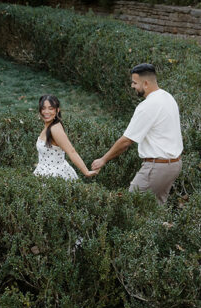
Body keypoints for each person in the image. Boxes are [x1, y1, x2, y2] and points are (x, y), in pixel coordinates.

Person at [91, 64, 183, 204]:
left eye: (134, 83)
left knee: (131, 206)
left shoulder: (148, 106)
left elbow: (126, 141)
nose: (132, 86)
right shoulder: (167, 97)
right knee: (154, 210)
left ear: (145, 83)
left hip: (157, 167)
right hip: (173, 165)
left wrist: (103, 159)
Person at [34, 94, 97, 180]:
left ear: (57, 110)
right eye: (43, 108)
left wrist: (86, 172)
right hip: (43, 172)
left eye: (51, 108)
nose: (46, 112)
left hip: (54, 175)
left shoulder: (55, 129)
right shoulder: (48, 125)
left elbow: (71, 151)